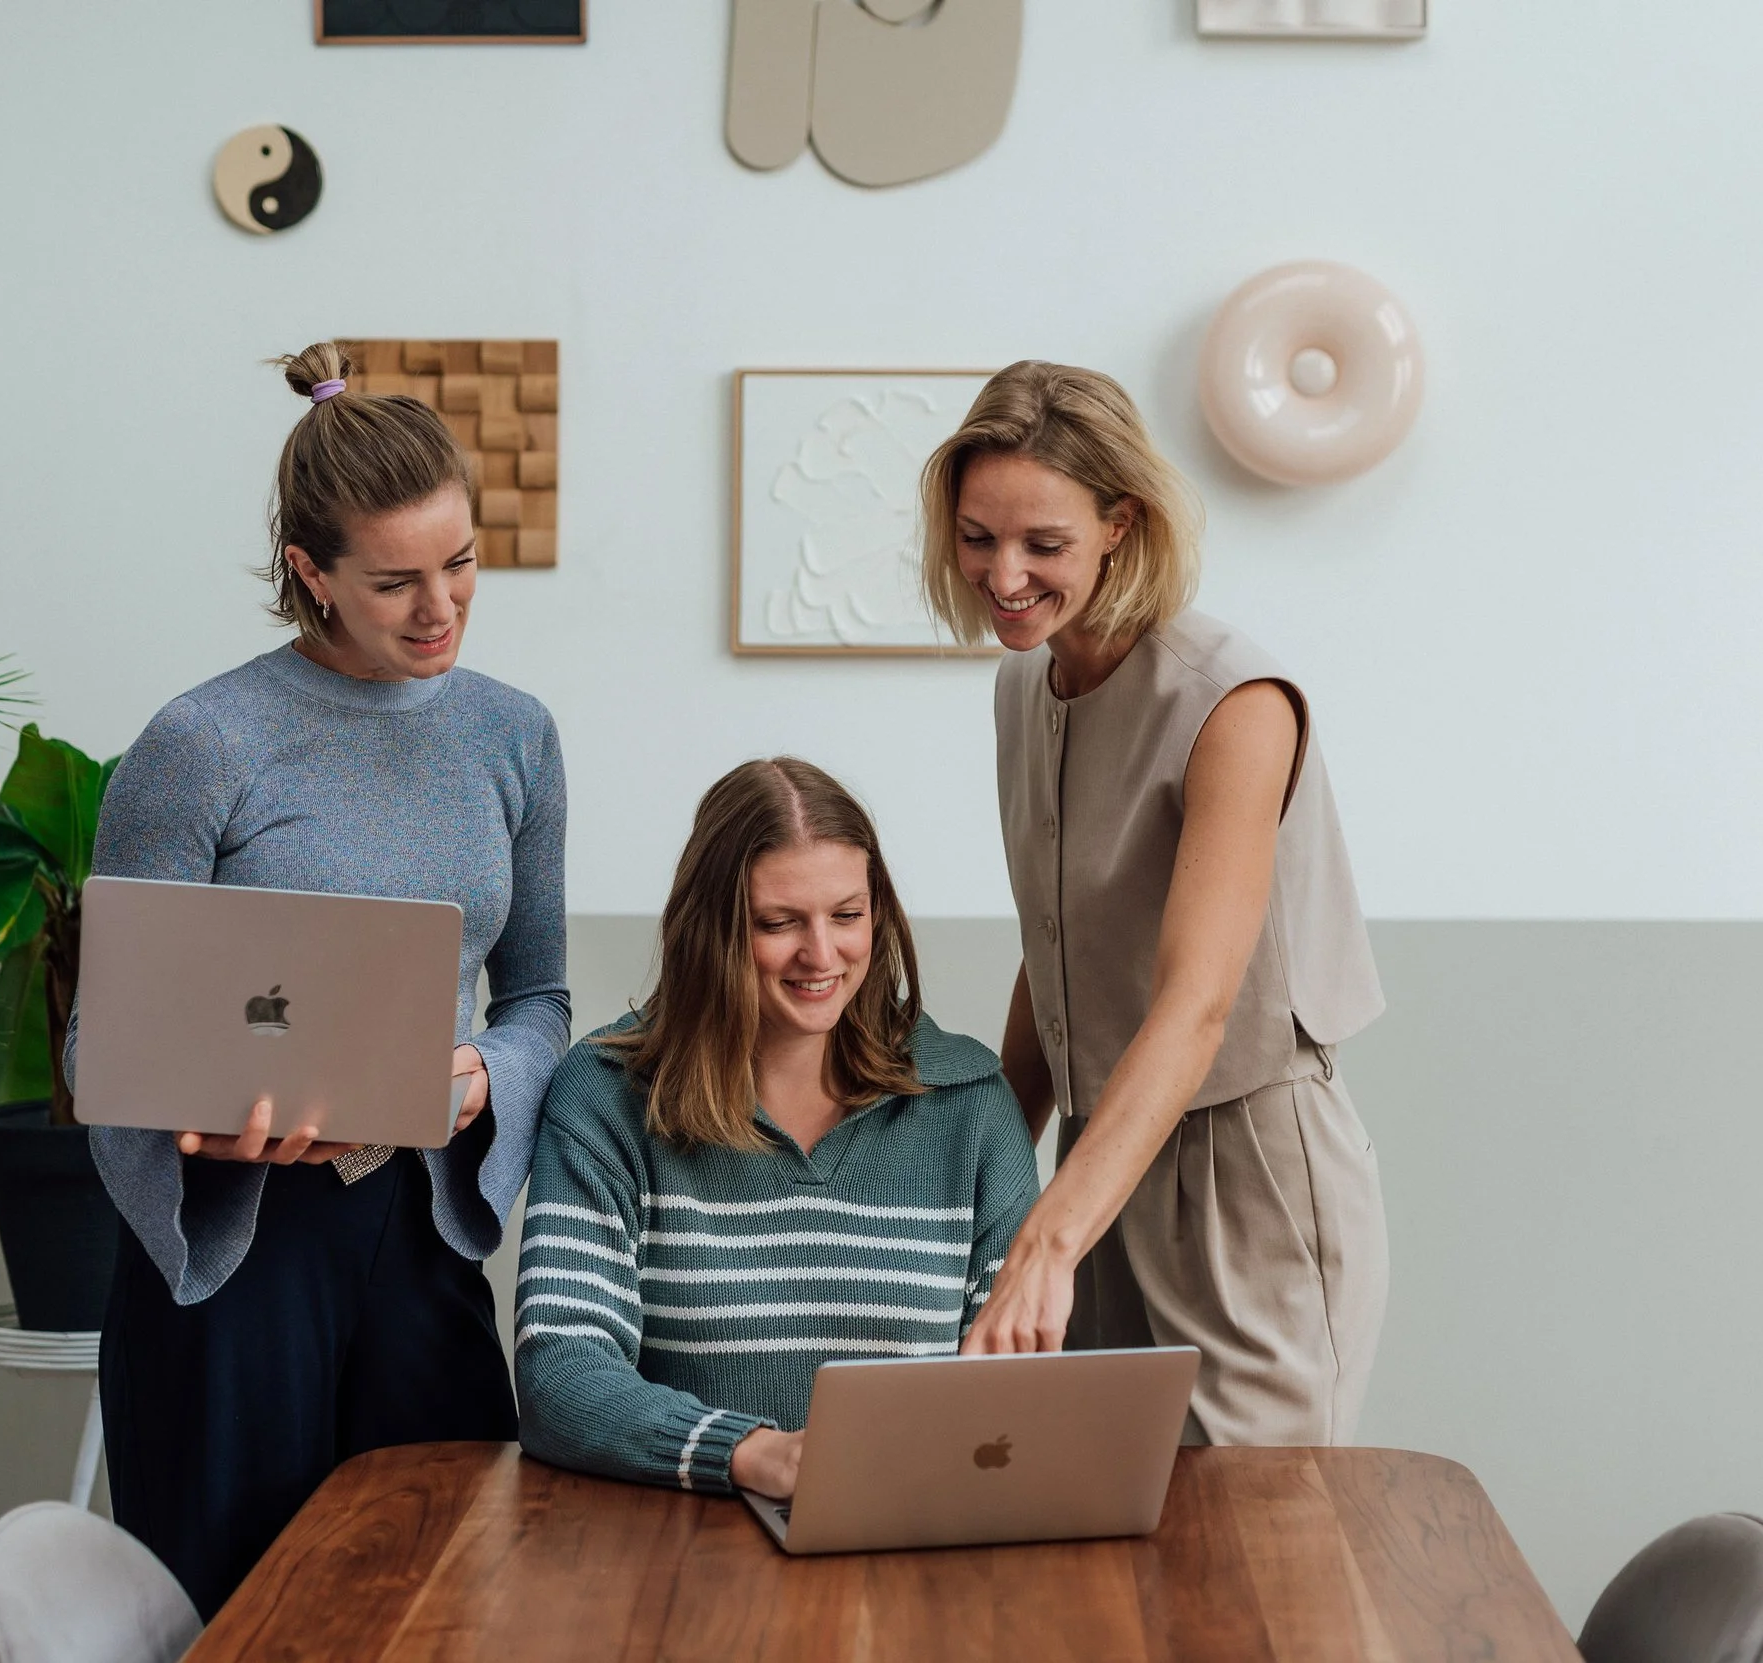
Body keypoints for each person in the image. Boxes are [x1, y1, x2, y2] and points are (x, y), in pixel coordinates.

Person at [71, 341, 569, 1616]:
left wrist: (479, 1080)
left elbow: (537, 1002)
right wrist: (202, 1121)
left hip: (420, 1229)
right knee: (237, 1611)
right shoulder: (203, 743)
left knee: (444, 1590)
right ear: (310, 573)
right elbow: (99, 1041)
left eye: (458, 563)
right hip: (239, 1256)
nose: (440, 607)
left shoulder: (512, 734)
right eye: (394, 581)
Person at [926, 360, 1388, 1446]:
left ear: (1119, 525)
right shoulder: (1023, 687)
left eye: (1043, 544)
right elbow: (1057, 949)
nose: (1004, 575)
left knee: (1256, 1555)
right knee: (1106, 1538)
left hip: (1248, 1182)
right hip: (1100, 1167)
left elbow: (1195, 1007)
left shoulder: (1233, 701)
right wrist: (995, 1179)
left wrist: (1046, 1240)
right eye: (978, 536)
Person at [516, 758, 1036, 1499]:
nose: (822, 956)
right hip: (673, 1544)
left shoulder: (971, 1104)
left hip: (905, 1537)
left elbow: (1014, 1389)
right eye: (779, 922)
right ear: (712, 927)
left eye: (847, 915)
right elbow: (559, 1371)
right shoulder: (604, 1096)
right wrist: (749, 1452)